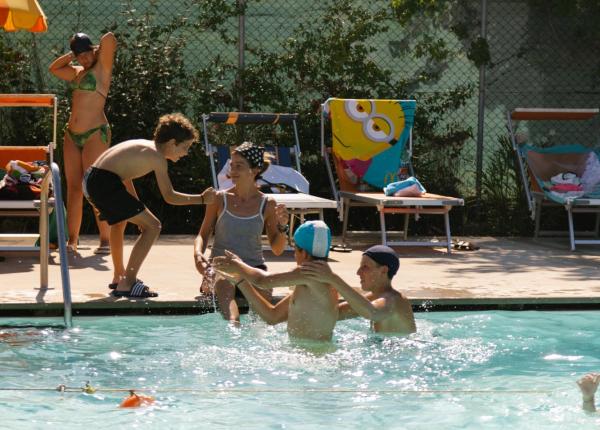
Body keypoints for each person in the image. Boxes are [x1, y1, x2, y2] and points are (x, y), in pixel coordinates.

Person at [84, 113, 216, 298]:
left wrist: (137, 208)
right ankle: (127, 283)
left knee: (134, 223)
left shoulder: (144, 146)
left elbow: (124, 175)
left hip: (93, 179)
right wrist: (202, 199)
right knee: (154, 227)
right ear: (172, 143)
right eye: (185, 147)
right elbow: (170, 197)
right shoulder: (157, 158)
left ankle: (120, 277)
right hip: (103, 183)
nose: (185, 153)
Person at [193, 142, 289, 323]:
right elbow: (203, 234)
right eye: (232, 165)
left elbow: (277, 249)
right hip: (221, 266)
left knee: (263, 317)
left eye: (239, 166)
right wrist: (198, 255)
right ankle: (233, 337)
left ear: (254, 170)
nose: (233, 170)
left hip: (253, 268)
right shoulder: (219, 199)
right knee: (232, 316)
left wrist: (283, 227)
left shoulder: (267, 204)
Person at [49, 32, 118, 255]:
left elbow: (110, 39)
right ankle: (72, 241)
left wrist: (95, 50)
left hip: (94, 133)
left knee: (94, 187)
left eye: (87, 55)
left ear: (93, 51)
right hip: (72, 135)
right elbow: (55, 69)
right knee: (74, 188)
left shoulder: (102, 69)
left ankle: (106, 240)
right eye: (81, 57)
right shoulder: (78, 73)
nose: (85, 60)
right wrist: (74, 53)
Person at [213, 220, 339, 342]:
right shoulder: (315, 284)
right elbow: (272, 316)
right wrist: (241, 280)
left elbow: (262, 280)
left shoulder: (309, 274)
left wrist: (238, 266)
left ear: (304, 254)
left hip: (310, 361)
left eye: (295, 250)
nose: (294, 256)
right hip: (309, 356)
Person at [301, 244, 416, 335]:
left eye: (365, 267)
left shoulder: (396, 300)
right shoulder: (373, 298)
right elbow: (335, 313)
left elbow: (372, 313)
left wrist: (333, 279)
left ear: (383, 271)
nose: (358, 272)